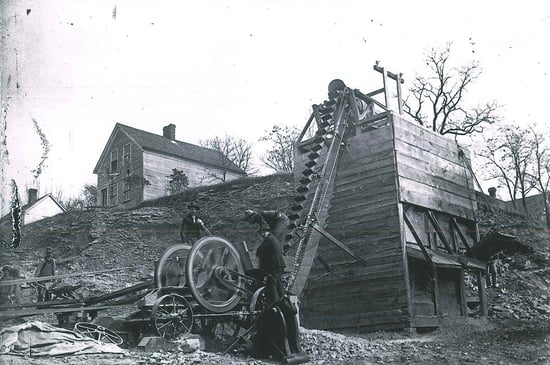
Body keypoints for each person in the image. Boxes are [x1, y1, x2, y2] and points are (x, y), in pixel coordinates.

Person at [256, 227, 286, 304]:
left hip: (274, 266)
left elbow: (259, 251)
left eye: (262, 233)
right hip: (279, 265)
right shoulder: (273, 238)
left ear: (266, 232)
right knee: (279, 285)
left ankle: (275, 304)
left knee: (272, 285)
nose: (262, 235)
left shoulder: (269, 239)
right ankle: (284, 302)